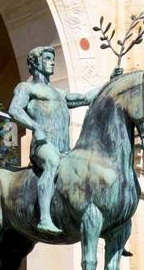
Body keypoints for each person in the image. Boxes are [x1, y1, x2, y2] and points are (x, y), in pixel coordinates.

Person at [8, 46, 101, 234]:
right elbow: (14, 110)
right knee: (52, 163)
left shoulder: (60, 93)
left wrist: (110, 83)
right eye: (48, 58)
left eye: (52, 58)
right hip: (43, 145)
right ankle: (44, 218)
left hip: (64, 148)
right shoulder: (27, 88)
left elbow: (85, 98)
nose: (52, 62)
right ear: (35, 63)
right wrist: (36, 127)